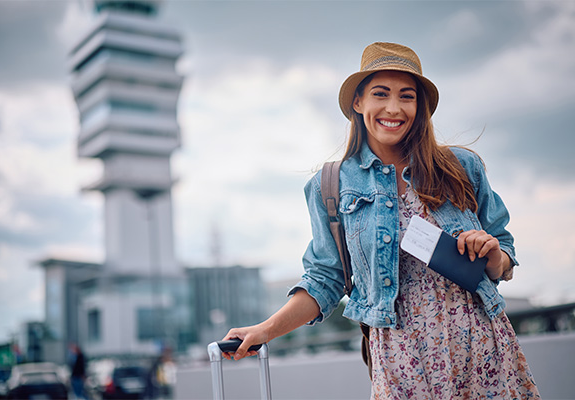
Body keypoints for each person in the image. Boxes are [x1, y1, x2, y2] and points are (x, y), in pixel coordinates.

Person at [223, 42, 540, 399]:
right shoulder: (331, 186)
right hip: (402, 359)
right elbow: (325, 280)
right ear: (358, 102)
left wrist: (494, 254)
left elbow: (504, 255)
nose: (393, 108)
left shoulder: (462, 168)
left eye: (407, 96)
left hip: (481, 349)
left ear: (419, 107)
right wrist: (265, 330)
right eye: (380, 94)